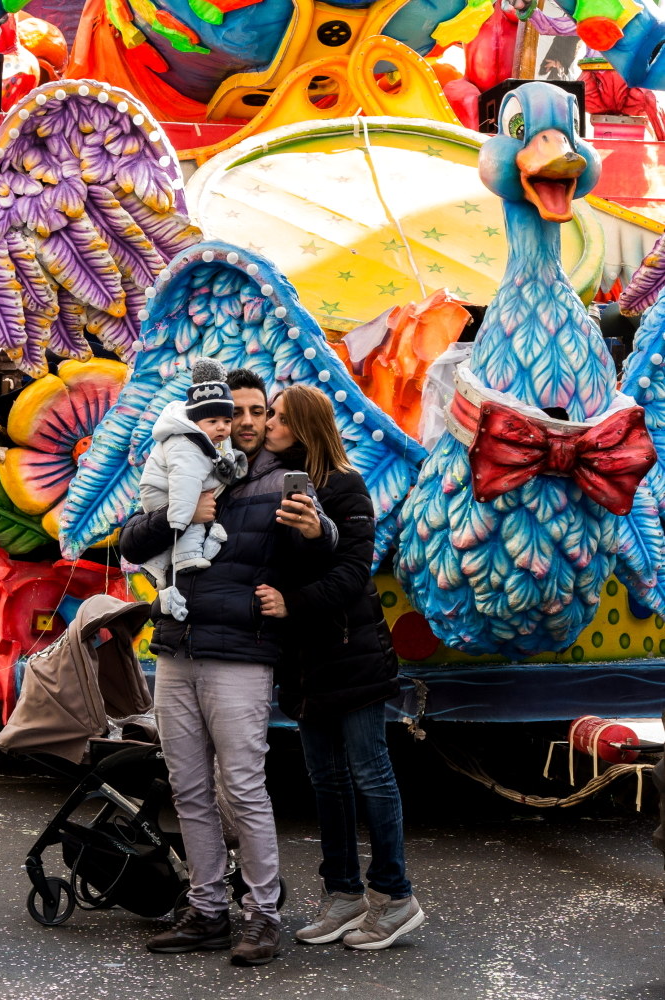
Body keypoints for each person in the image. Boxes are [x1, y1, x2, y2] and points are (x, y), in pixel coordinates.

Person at [119, 368, 337, 966]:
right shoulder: (180, 460)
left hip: (240, 652)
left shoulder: (278, 482)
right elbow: (130, 542)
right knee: (188, 790)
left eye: (257, 411)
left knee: (242, 788)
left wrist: (318, 532)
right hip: (175, 647)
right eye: (233, 411)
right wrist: (182, 515)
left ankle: (262, 915)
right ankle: (208, 909)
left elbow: (323, 546)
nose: (244, 421)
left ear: (269, 418)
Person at [255, 384, 425, 951]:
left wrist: (295, 598)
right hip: (303, 662)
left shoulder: (346, 487)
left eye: (277, 417)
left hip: (352, 656)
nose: (269, 424)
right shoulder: (271, 486)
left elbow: (354, 573)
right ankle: (344, 894)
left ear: (303, 427)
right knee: (326, 781)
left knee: (370, 774)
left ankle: (396, 898)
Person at [138, 357, 247, 598]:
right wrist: (180, 518)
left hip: (175, 494)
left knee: (193, 516)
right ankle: (186, 558)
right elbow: (184, 481)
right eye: (214, 422)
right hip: (166, 493)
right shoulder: (188, 444)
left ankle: (154, 566)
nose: (222, 428)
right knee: (193, 521)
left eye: (227, 421)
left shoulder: (209, 439)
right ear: (196, 422)